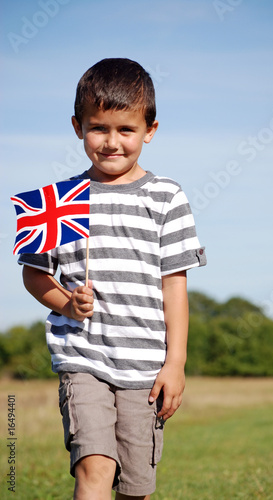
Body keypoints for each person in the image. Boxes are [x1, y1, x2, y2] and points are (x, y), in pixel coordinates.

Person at [19, 58, 206, 500]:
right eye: (98, 128)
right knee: (95, 469)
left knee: (135, 488)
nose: (111, 142)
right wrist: (65, 302)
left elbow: (174, 285)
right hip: (83, 358)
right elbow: (34, 275)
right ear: (78, 126)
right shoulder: (59, 200)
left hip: (145, 366)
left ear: (150, 130)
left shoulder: (167, 197)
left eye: (126, 130)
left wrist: (175, 363)